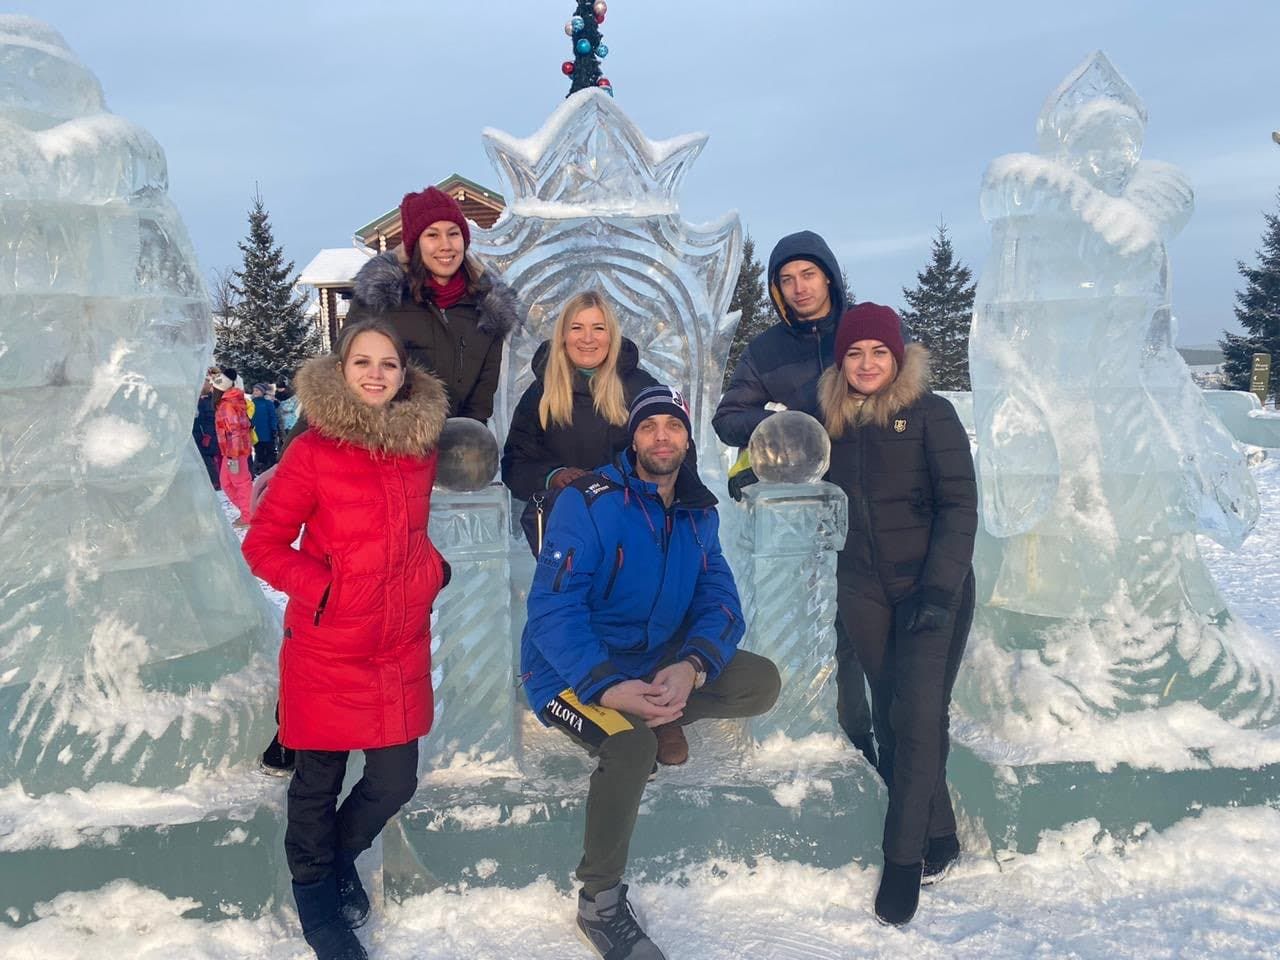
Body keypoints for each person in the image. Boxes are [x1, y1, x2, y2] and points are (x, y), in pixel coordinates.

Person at [521, 385, 781, 960]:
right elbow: (551, 609)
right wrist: (608, 685)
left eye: (673, 426)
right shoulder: (590, 502)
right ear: (633, 438)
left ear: (687, 439)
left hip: (654, 661)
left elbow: (720, 599)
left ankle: (663, 707)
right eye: (649, 426)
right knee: (631, 748)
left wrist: (690, 667)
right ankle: (600, 900)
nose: (662, 437)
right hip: (567, 673)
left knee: (759, 681)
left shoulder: (697, 511)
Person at [241, 319, 449, 960]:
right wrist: (326, 589)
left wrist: (430, 570)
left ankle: (337, 860)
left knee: (394, 780)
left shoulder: (419, 448)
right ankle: (316, 898)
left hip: (397, 642)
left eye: (389, 363)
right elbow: (262, 545)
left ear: (404, 374)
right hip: (329, 643)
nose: (377, 373)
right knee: (317, 781)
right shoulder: (312, 451)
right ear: (342, 369)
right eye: (363, 361)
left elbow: (407, 532)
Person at [817, 303, 977, 927]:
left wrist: (938, 592)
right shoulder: (831, 424)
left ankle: (903, 859)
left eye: (878, 352)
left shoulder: (933, 415)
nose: (866, 364)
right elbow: (784, 464)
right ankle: (939, 835)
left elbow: (960, 506)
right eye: (854, 353)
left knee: (914, 716)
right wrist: (756, 468)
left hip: (929, 590)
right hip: (863, 589)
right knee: (893, 713)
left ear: (898, 357)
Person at [711, 230, 876, 770]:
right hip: (803, 517)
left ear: (828, 275)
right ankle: (837, 738)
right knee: (824, 628)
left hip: (874, 501)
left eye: (807, 274)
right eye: (786, 279)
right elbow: (728, 417)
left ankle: (877, 743)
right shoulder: (766, 350)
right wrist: (786, 425)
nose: (798, 287)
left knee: (872, 631)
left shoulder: (859, 335)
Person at [345, 185, 521, 422]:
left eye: (453, 233)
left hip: (452, 444)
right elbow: (340, 375)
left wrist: (466, 448)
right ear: (415, 243)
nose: (445, 245)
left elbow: (480, 403)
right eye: (432, 235)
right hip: (384, 444)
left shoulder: (488, 310)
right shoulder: (380, 301)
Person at [500, 290, 660, 503]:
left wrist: (614, 480)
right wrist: (553, 476)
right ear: (563, 336)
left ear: (611, 336)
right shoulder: (541, 393)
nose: (587, 338)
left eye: (598, 328)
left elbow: (671, 450)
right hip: (561, 518)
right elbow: (515, 463)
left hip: (631, 515)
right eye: (576, 328)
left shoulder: (642, 388)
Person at [212, 367, 253, 527]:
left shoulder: (227, 405)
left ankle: (249, 515)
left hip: (235, 451)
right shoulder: (230, 401)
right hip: (229, 451)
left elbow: (235, 431)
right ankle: (249, 510)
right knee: (226, 482)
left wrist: (233, 456)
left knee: (241, 482)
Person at [193, 378, 219, 489]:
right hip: (199, 433)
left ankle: (214, 481)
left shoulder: (207, 401)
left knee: (207, 458)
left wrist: (208, 435)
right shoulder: (198, 400)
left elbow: (210, 419)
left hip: (205, 434)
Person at [250, 382, 279, 475]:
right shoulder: (251, 403)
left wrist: (273, 428)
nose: (255, 392)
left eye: (257, 390)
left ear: (262, 392)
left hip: (267, 432)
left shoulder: (267, 403)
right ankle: (260, 467)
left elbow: (272, 416)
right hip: (256, 432)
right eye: (254, 390)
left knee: (270, 450)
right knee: (259, 450)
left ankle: (271, 467)